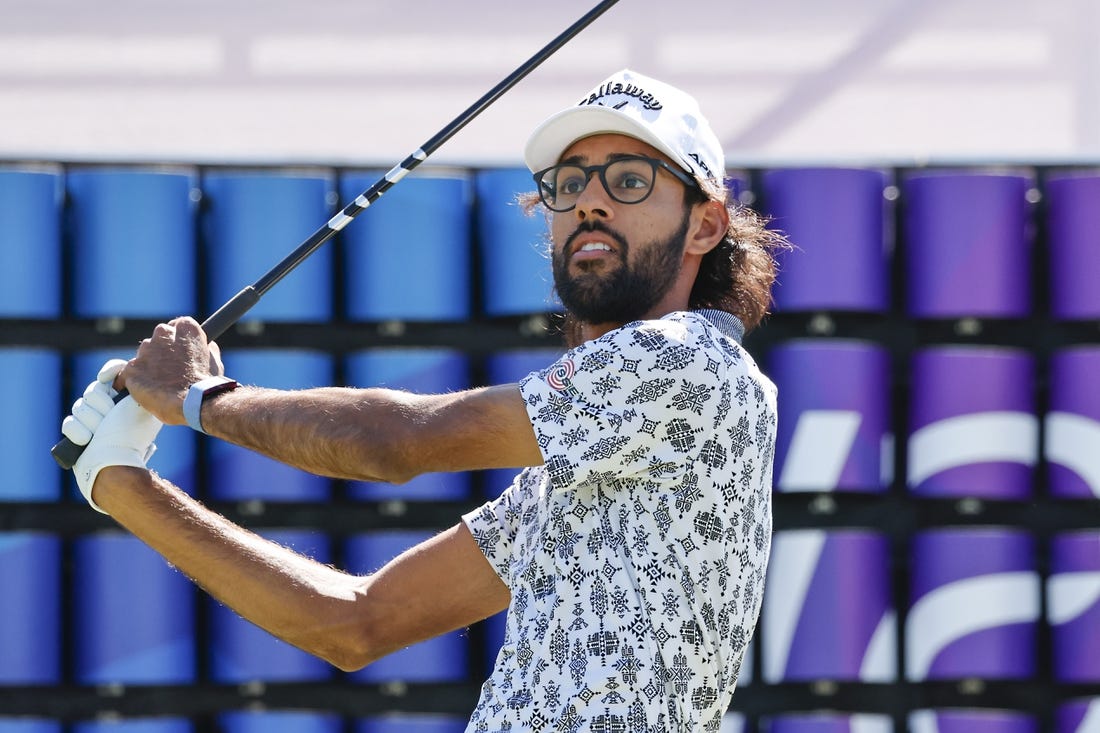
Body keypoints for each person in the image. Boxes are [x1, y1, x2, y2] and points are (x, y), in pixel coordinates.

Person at [61, 69, 789, 732]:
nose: (590, 200)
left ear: (706, 223)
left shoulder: (689, 361)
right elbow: (354, 622)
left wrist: (200, 396)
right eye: (569, 182)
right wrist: (121, 483)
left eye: (630, 180)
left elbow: (398, 443)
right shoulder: (594, 454)